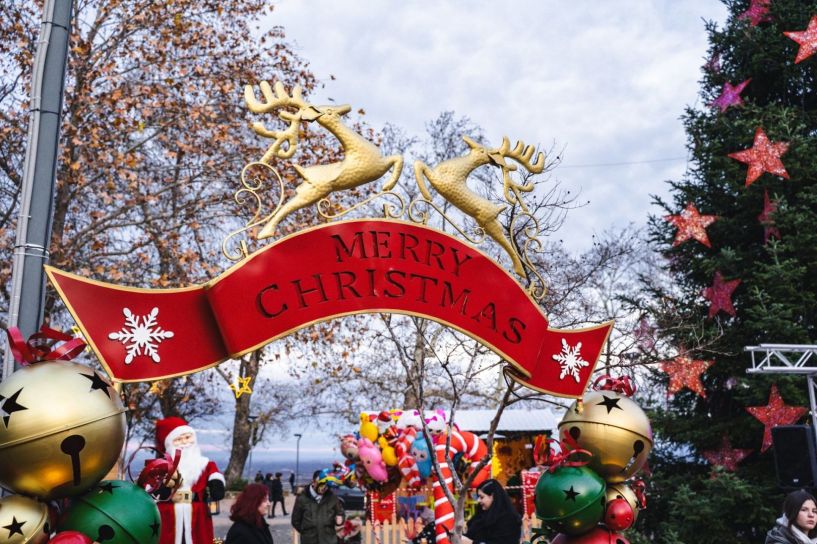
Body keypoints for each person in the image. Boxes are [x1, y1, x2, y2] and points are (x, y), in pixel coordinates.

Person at [155, 417, 225, 544]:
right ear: (169, 444)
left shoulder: (205, 464)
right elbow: (154, 490)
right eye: (178, 439)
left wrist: (217, 484)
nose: (184, 442)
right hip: (169, 514)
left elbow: (215, 475)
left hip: (197, 514)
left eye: (188, 437)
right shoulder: (162, 466)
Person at [291, 470, 344, 544]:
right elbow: (295, 521)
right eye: (321, 484)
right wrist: (307, 532)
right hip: (309, 540)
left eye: (326, 485)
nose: (324, 488)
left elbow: (340, 513)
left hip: (328, 540)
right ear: (313, 482)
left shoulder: (332, 497)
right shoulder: (302, 498)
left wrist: (340, 520)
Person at [462, 479, 522, 544]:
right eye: (478, 497)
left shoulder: (509, 520)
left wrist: (471, 543)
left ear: (492, 496)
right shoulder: (482, 514)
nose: (478, 500)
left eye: (482, 497)